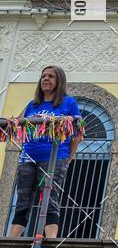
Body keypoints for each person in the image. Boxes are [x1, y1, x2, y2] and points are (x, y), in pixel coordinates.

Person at [8, 65, 81, 239]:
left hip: (55, 158)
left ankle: (50, 243)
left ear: (59, 81)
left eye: (51, 76)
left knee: (50, 200)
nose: (45, 79)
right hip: (28, 158)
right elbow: (25, 130)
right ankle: (9, 242)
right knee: (22, 201)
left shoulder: (68, 102)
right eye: (43, 76)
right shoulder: (32, 105)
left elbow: (77, 134)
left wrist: (68, 159)